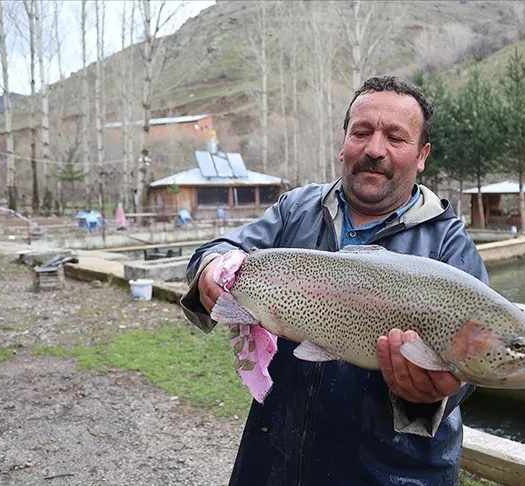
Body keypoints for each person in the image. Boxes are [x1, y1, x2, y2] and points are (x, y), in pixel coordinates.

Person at [181, 75, 489, 485]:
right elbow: (218, 249)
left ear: (422, 155)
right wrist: (210, 268)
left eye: (395, 138)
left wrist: (436, 392)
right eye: (362, 132)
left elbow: (471, 364)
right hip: (273, 461)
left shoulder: (448, 243)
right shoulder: (296, 209)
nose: (374, 149)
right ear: (344, 141)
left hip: (393, 475)